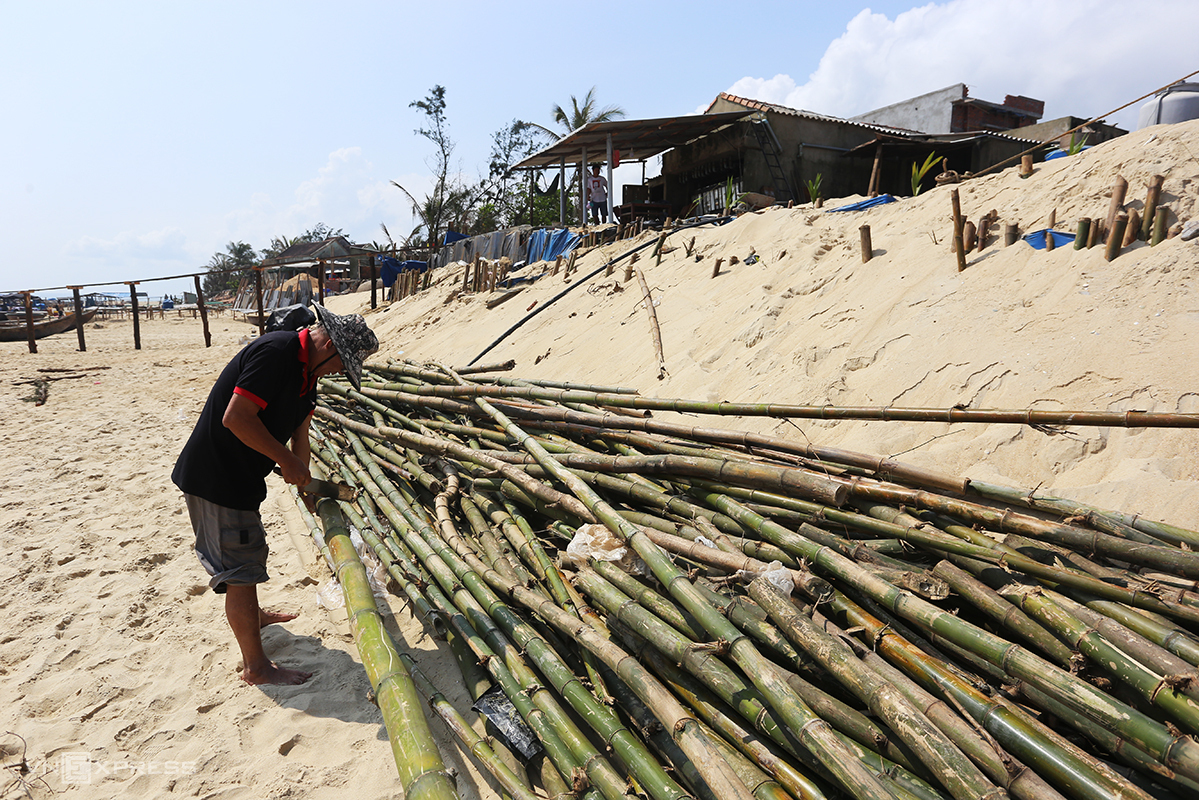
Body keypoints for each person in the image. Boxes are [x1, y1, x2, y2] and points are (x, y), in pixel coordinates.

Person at [172, 303, 378, 685]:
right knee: (240, 571)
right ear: (328, 344)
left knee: (248, 555)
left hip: (243, 478)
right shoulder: (277, 352)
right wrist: (286, 459)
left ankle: (256, 617)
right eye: (341, 365)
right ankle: (256, 667)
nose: (338, 373)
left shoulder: (306, 374)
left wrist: (304, 480)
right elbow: (235, 417)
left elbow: (299, 438)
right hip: (217, 475)